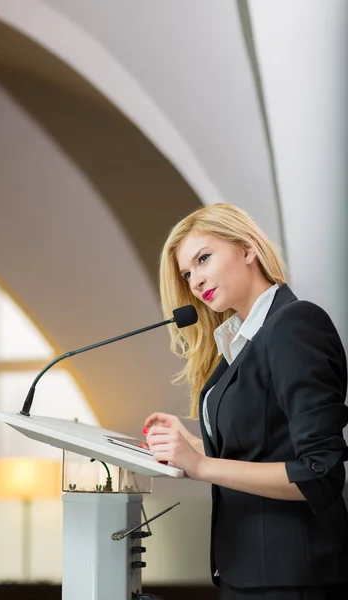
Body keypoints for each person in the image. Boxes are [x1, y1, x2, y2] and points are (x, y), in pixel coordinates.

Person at [143, 203, 348, 600]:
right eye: (187, 274)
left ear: (248, 248)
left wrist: (202, 465)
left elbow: (319, 475)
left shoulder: (294, 324)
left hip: (292, 581)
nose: (195, 281)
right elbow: (266, 448)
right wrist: (190, 447)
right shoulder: (240, 343)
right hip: (248, 575)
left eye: (203, 259)